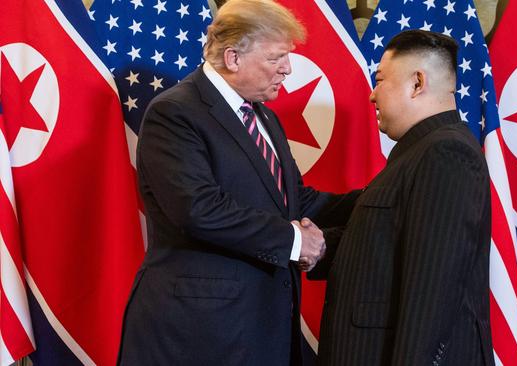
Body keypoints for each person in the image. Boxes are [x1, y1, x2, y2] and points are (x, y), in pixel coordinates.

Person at [117, 0, 358, 364]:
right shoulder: (176, 112)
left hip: (260, 328)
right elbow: (198, 209)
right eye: (277, 58)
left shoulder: (263, 117)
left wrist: (382, 198)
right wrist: (295, 241)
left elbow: (295, 202)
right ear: (233, 58)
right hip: (200, 334)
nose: (288, 69)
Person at [311, 30, 494, 365]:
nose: (371, 95)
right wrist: (320, 247)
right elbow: (387, 246)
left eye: (380, 80)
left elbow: (432, 292)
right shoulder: (417, 153)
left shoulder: (446, 153)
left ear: (416, 83)